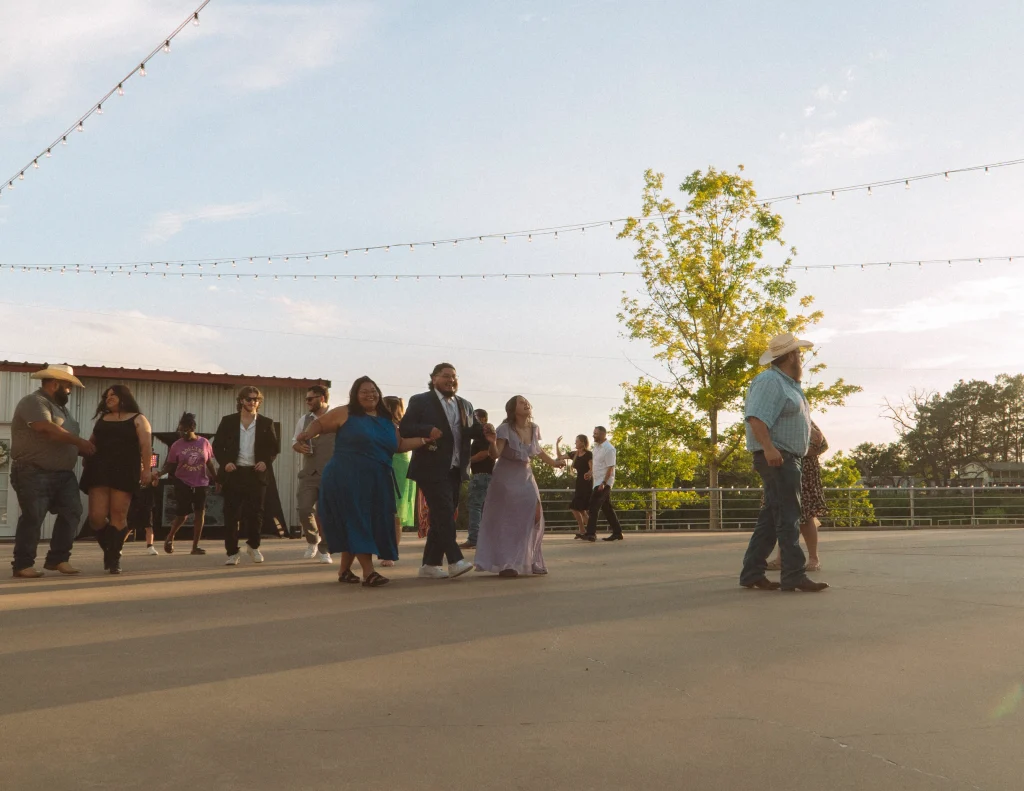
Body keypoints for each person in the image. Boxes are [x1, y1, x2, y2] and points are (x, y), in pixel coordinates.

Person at [297, 377, 426, 587]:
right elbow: (319, 423)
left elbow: (399, 444)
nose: (370, 394)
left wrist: (424, 441)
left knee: (362, 521)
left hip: (376, 479)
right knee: (358, 521)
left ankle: (344, 571)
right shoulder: (345, 412)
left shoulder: (386, 420)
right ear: (355, 394)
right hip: (345, 476)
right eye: (364, 391)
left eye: (373, 390)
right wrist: (306, 435)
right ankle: (369, 572)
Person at [739, 332, 829, 593]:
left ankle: (752, 573)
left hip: (788, 458)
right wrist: (769, 449)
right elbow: (756, 418)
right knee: (789, 517)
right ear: (790, 356)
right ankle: (793, 575)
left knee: (771, 519)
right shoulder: (770, 381)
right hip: (779, 459)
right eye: (799, 354)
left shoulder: (788, 384)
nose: (801, 358)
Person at [399, 363, 490, 580]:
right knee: (443, 512)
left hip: (456, 468)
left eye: (454, 377)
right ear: (434, 378)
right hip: (430, 466)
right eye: (446, 376)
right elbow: (405, 427)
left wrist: (486, 431)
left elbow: (474, 431)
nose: (451, 380)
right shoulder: (420, 400)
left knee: (444, 514)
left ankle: (430, 564)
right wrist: (426, 430)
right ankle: (455, 560)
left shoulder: (465, 405)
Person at [10, 364, 95, 578]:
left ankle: (58, 559)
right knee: (33, 516)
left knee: (73, 511)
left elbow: (64, 439)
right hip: (33, 471)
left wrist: (82, 450)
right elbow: (46, 429)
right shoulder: (34, 401)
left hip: (64, 474)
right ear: (55, 383)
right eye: (68, 386)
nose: (70, 391)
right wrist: (79, 442)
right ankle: (23, 564)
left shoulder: (62, 409)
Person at [474, 396, 562, 577]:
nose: (526, 403)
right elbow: (495, 454)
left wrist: (554, 463)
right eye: (521, 402)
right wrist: (491, 442)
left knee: (535, 515)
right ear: (513, 408)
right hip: (505, 478)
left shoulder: (534, 428)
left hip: (525, 476)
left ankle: (531, 559)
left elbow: (538, 451)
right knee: (507, 521)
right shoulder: (504, 429)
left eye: (527, 401)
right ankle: (508, 564)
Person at [80, 384, 154, 575]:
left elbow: (146, 446)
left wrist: (147, 470)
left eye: (113, 395)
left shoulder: (139, 419)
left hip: (125, 470)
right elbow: (92, 442)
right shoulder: (103, 419)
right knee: (96, 517)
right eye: (107, 396)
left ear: (124, 397)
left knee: (118, 515)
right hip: (100, 469)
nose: (109, 398)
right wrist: (83, 454)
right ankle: (111, 548)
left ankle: (114, 558)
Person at [213, 386, 280, 566]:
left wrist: (266, 461)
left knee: (256, 513)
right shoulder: (228, 421)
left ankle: (253, 545)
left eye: (256, 399)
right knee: (231, 514)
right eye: (249, 399)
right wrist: (225, 462)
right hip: (234, 472)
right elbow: (217, 446)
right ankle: (232, 552)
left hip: (255, 473)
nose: (253, 402)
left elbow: (274, 448)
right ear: (241, 400)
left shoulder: (266, 423)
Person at [766, 421, 828, 572]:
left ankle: (814, 558)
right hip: (782, 471)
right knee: (783, 516)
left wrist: (794, 452)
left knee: (806, 516)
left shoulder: (805, 421)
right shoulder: (775, 422)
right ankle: (781, 559)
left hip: (804, 474)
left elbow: (823, 445)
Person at [162, 412, 217, 555]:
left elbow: (209, 463)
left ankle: (195, 546)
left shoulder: (204, 442)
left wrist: (217, 479)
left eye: (184, 430)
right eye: (180, 430)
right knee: (183, 514)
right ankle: (170, 536)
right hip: (182, 481)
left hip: (201, 482)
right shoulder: (176, 445)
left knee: (200, 512)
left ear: (192, 428)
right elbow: (169, 465)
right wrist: (158, 474)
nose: (182, 433)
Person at [292, 384, 334, 563]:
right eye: (306, 399)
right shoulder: (304, 419)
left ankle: (325, 550)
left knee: (326, 513)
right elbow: (295, 442)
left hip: (332, 473)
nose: (307, 402)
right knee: (304, 508)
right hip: (309, 473)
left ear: (322, 398)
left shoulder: (336, 417)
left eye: (310, 398)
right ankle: (312, 540)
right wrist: (299, 447)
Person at [382, 396, 416, 568]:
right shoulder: (378, 423)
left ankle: (391, 551)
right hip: (381, 464)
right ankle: (386, 549)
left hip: (399, 466)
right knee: (382, 510)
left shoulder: (402, 426)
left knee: (395, 511)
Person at [578, 426, 623, 542]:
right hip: (596, 482)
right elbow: (597, 465)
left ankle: (591, 534)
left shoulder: (609, 449)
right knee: (607, 509)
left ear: (603, 434)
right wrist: (590, 472)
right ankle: (617, 532)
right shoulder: (596, 448)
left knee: (593, 506)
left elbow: (610, 468)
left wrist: (603, 483)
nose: (593, 435)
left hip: (604, 483)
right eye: (593, 433)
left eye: (596, 434)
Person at [461, 408, 494, 550]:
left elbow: (484, 453)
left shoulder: (484, 435)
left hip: (482, 475)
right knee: (483, 507)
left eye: (474, 417)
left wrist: (466, 461)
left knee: (475, 506)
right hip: (486, 475)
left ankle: (474, 538)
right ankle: (484, 538)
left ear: (483, 419)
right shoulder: (485, 435)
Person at [127, 462, 161, 555]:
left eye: (143, 465)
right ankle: (118, 547)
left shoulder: (150, 475)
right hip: (134, 504)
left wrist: (156, 479)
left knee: (148, 526)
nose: (141, 467)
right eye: (140, 465)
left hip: (147, 505)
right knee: (129, 527)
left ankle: (150, 546)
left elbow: (154, 485)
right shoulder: (132, 476)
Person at [566, 434, 594, 538]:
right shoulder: (575, 454)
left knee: (575, 507)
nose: (575, 443)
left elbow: (592, 468)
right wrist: (556, 444)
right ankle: (588, 531)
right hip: (579, 483)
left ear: (582, 442)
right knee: (581, 510)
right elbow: (560, 456)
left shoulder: (588, 454)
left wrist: (589, 473)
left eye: (577, 441)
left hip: (586, 483)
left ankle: (586, 530)